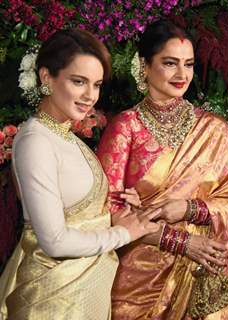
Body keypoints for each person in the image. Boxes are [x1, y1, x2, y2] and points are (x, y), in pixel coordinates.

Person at [96, 19, 228, 319]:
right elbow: (106, 212)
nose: (182, 74)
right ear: (144, 65)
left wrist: (191, 209)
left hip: (202, 272)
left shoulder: (214, 130)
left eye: (189, 64)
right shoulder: (125, 128)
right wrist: (183, 242)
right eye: (170, 63)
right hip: (139, 278)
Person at [0, 29, 160, 320]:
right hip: (52, 302)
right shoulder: (35, 140)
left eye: (96, 84)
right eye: (78, 81)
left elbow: (77, 216)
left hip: (81, 296)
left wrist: (116, 214)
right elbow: (54, 241)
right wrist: (123, 233)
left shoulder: (66, 137)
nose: (90, 96)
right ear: (47, 78)